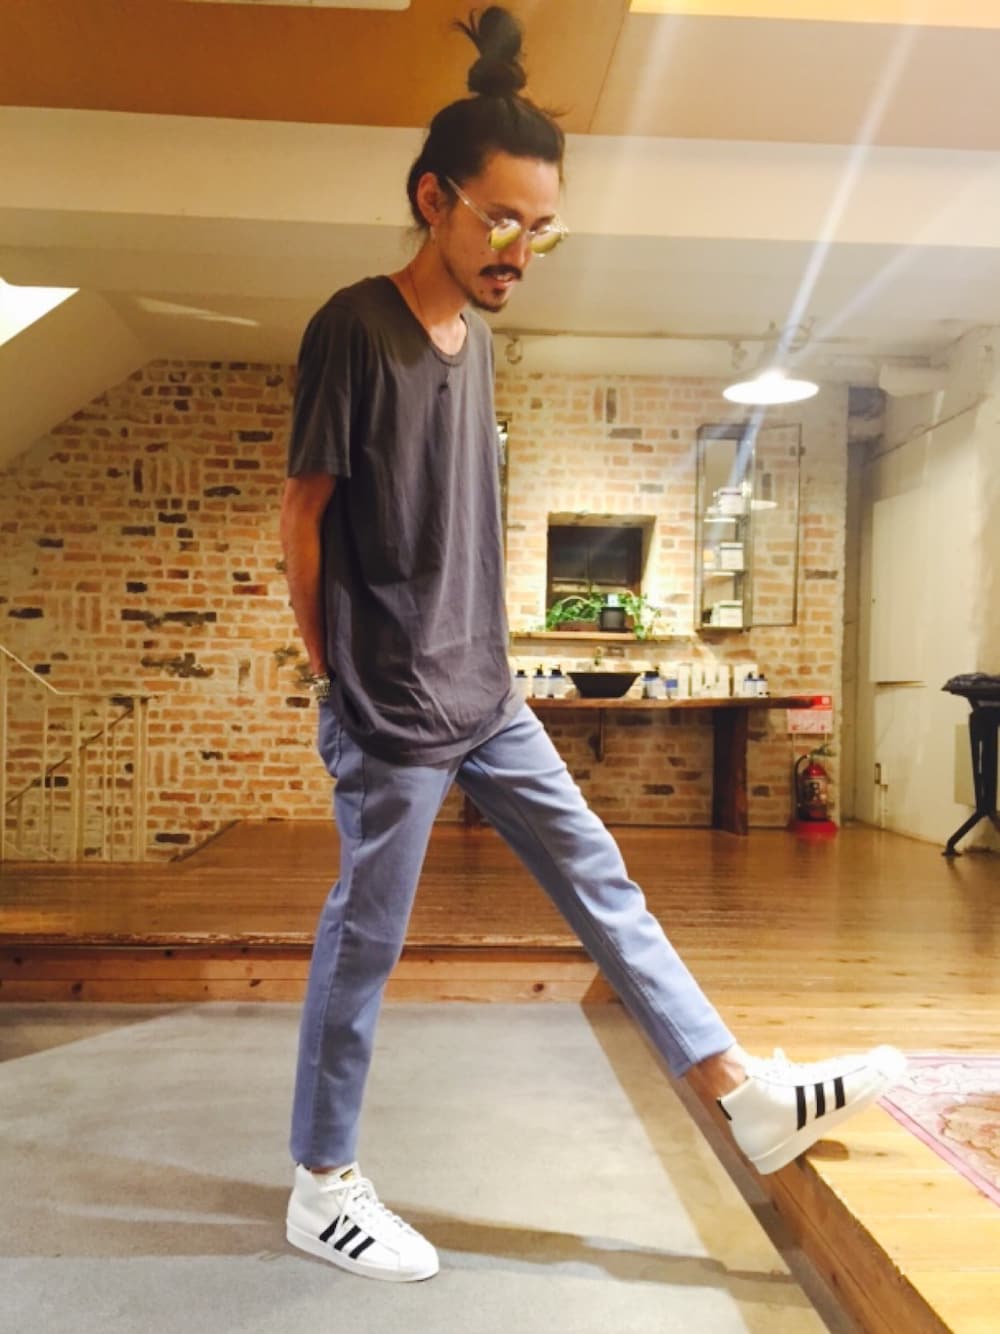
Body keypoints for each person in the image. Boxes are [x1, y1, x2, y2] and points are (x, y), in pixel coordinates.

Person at [279, 5, 905, 1284]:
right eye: (502, 219)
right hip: (390, 703)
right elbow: (303, 516)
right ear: (434, 200)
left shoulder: (478, 345)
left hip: (485, 689)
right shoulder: (355, 328)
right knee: (366, 936)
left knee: (602, 877)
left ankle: (738, 1091)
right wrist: (336, 675)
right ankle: (322, 1180)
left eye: (542, 226)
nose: (522, 249)